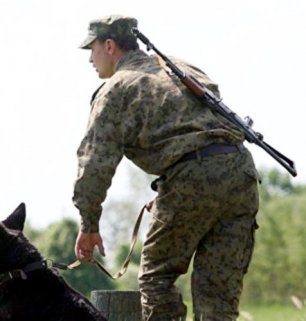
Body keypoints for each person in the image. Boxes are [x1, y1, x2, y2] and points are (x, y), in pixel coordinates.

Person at [72, 14, 260, 321]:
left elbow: (94, 162)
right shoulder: (180, 67)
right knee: (218, 294)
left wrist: (89, 224)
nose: (89, 58)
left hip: (191, 176)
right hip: (240, 173)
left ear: (109, 45)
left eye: (90, 49)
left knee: (157, 279)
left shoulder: (115, 89)